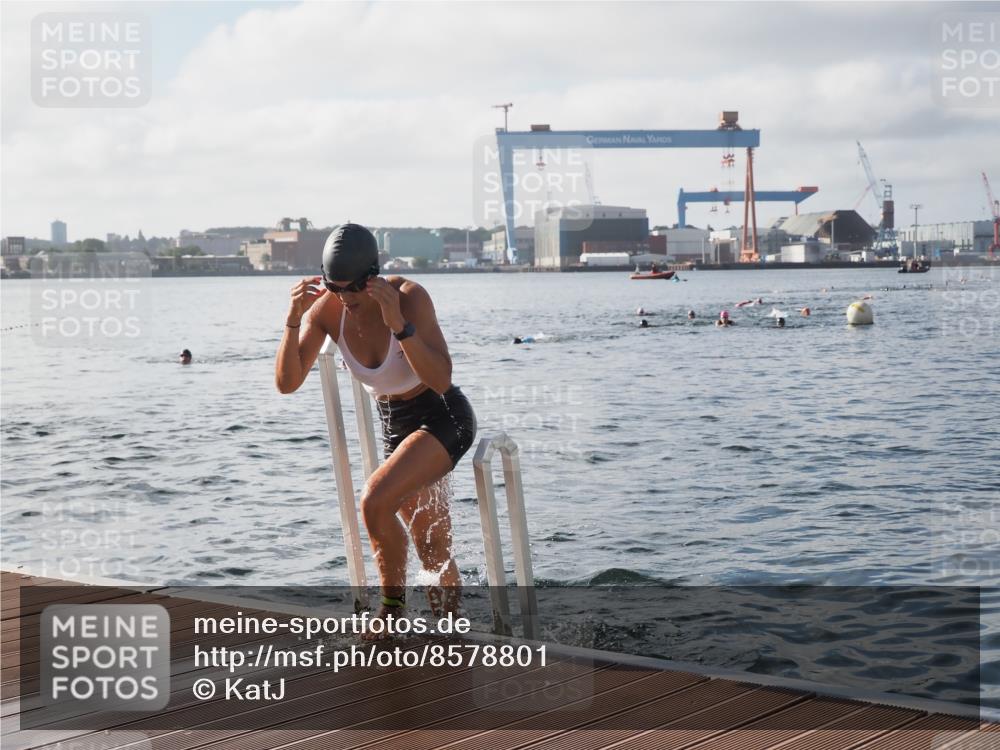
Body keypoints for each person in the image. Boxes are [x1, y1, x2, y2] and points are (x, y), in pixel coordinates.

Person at [274, 223, 476, 636]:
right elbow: (287, 383)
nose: (345, 298)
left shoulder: (409, 297)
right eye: (335, 287)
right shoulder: (327, 311)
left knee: (374, 501)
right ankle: (452, 632)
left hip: (442, 416)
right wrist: (292, 322)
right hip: (396, 426)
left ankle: (390, 613)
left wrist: (399, 325)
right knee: (431, 545)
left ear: (372, 277)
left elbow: (441, 378)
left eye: (352, 289)